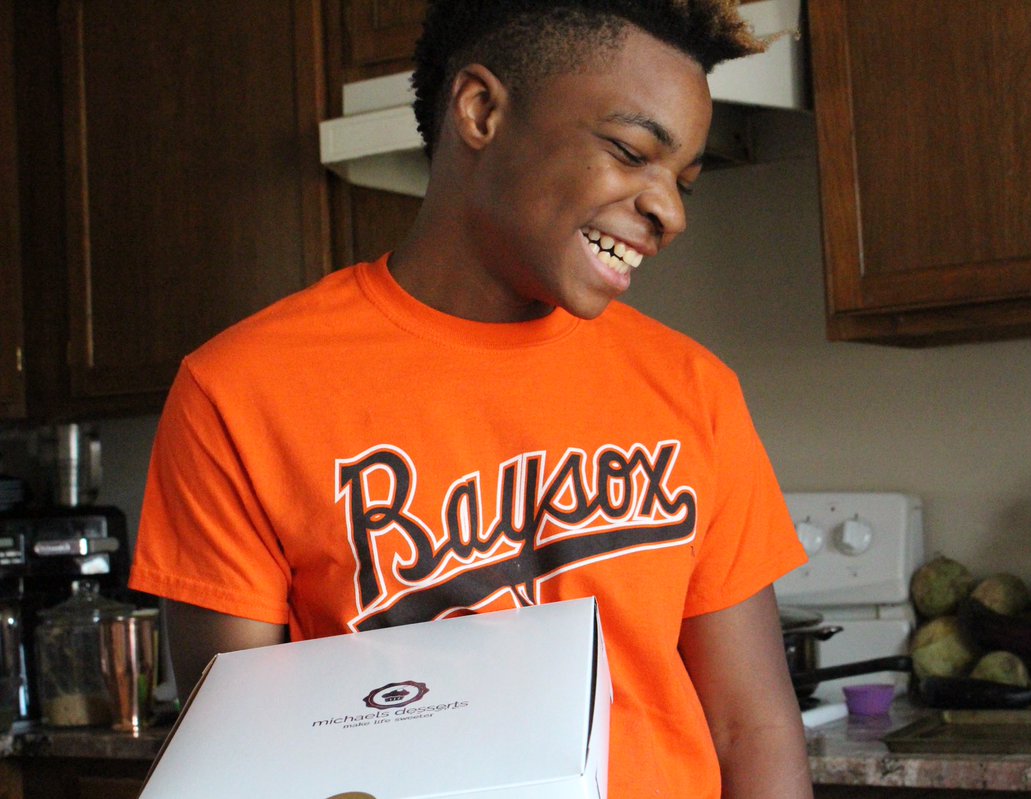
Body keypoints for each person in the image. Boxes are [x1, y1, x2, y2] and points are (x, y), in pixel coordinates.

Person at [130, 1, 812, 796]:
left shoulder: (694, 389)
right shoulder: (239, 392)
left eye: (683, 180)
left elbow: (751, 728)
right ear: (481, 110)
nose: (670, 211)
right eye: (631, 152)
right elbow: (244, 766)